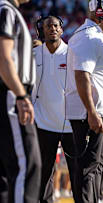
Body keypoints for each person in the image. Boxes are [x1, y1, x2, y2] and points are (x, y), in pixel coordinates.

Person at [64, 0, 103, 202]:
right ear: (99, 12)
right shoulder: (88, 37)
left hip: (96, 112)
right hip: (88, 114)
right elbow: (82, 76)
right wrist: (91, 112)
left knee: (96, 166)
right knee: (88, 168)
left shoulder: (95, 36)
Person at [0, 0, 42, 202]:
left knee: (5, 173)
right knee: (26, 164)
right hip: (10, 93)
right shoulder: (6, 10)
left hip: (11, 92)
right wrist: (20, 95)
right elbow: (3, 58)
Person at [32, 15, 75, 203]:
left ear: (62, 29)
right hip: (42, 122)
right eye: (48, 26)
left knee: (77, 173)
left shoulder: (72, 53)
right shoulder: (33, 54)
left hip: (70, 124)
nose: (53, 29)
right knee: (43, 173)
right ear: (42, 30)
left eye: (56, 26)